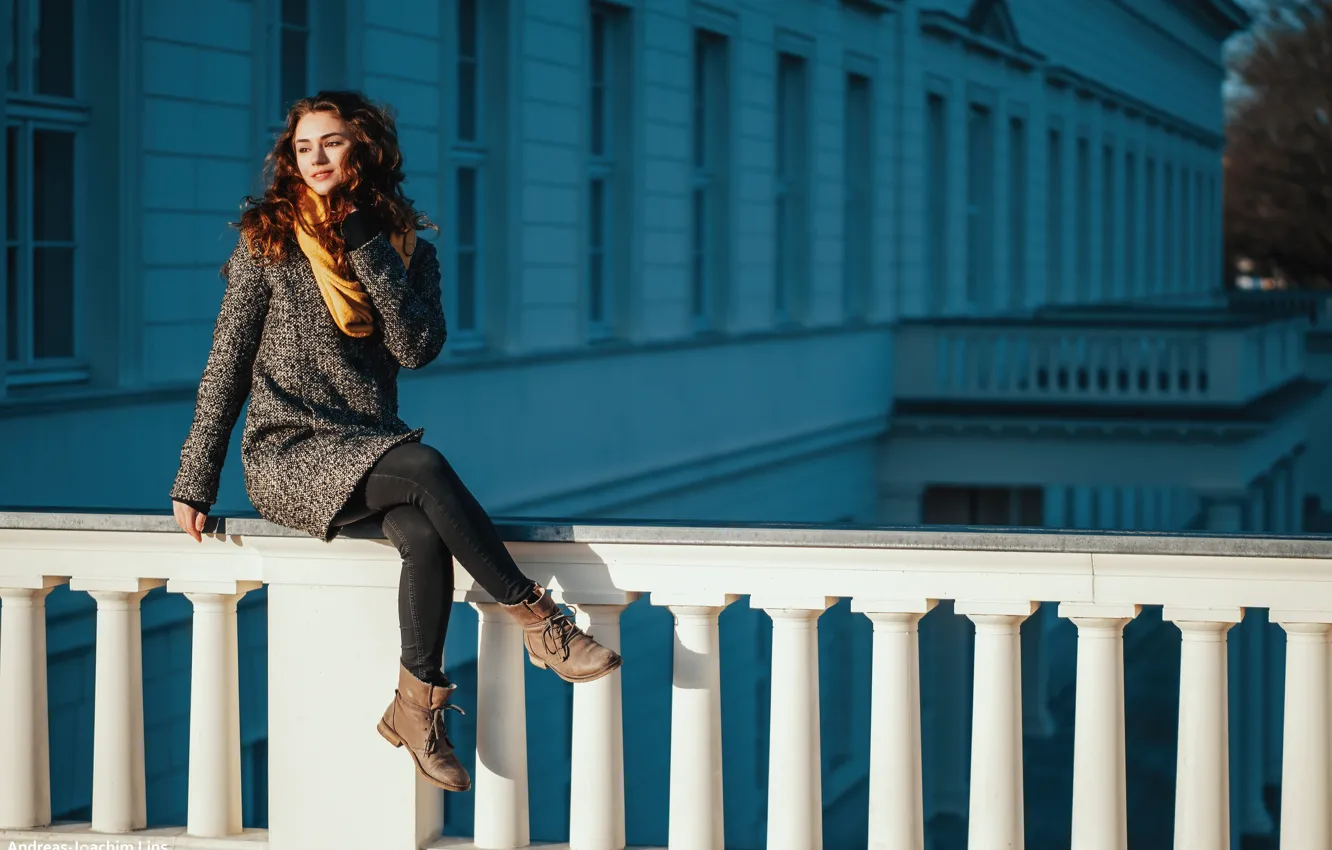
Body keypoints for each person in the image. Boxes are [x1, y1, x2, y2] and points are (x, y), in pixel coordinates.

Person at [168, 90, 621, 793]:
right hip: (289, 451)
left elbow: (416, 347)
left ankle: (417, 706)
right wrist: (195, 478)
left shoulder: (409, 249)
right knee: (426, 466)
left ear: (363, 149)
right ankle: (540, 621)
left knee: (422, 532)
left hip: (370, 448)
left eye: (331, 142)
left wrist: (368, 247)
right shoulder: (268, 243)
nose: (315, 158)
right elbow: (225, 365)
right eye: (303, 146)